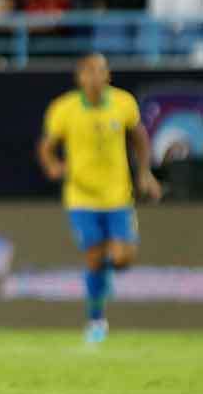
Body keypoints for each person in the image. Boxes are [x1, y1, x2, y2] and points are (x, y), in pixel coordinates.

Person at [38, 53, 161, 343]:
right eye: (89, 72)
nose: (94, 77)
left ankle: (104, 278)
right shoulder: (64, 108)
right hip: (81, 196)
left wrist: (145, 172)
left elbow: (139, 138)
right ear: (79, 77)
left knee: (122, 258)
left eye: (100, 71)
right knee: (94, 257)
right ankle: (96, 320)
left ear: (108, 75)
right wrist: (53, 165)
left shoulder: (123, 103)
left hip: (118, 195)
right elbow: (47, 146)